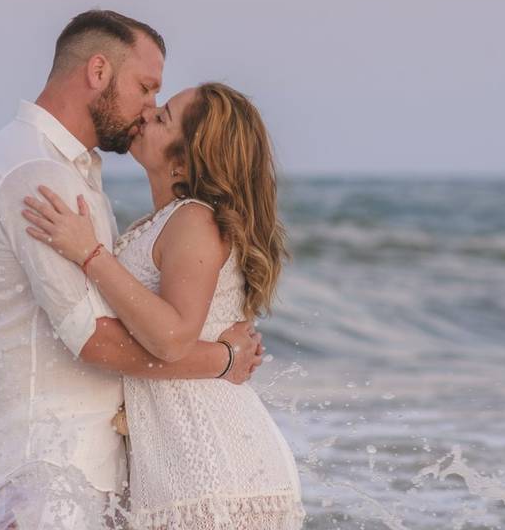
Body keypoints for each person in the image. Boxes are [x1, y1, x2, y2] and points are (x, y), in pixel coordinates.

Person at [0, 10, 265, 530]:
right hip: (48, 472)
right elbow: (95, 340)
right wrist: (223, 358)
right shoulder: (40, 175)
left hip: (74, 468)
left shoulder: (63, 167)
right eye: (146, 88)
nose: (149, 108)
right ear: (98, 72)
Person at [22, 83, 305, 529]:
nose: (148, 113)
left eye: (163, 117)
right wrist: (226, 357)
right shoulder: (171, 221)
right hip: (192, 465)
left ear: (185, 159)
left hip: (210, 470)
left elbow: (172, 338)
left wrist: (90, 254)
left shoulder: (194, 218)